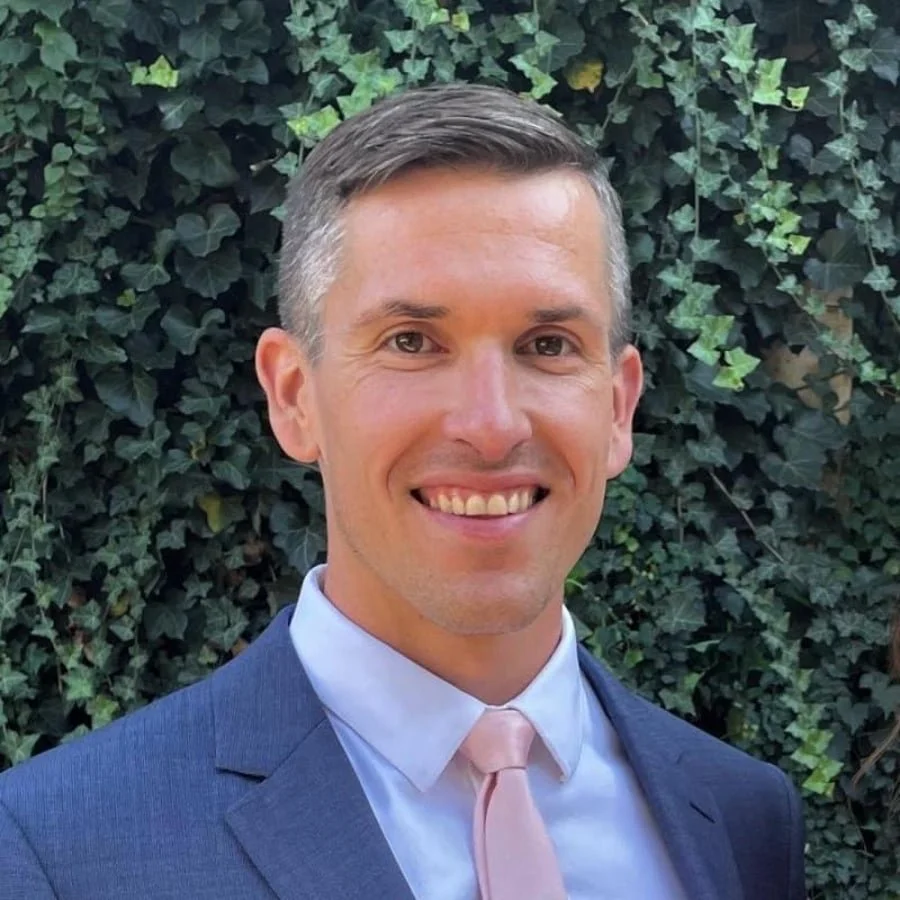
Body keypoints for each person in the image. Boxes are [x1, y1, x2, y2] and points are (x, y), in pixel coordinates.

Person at [0, 83, 805, 899]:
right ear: (293, 396)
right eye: (412, 342)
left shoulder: (742, 819)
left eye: (548, 344)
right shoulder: (55, 851)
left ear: (619, 407)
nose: (490, 426)